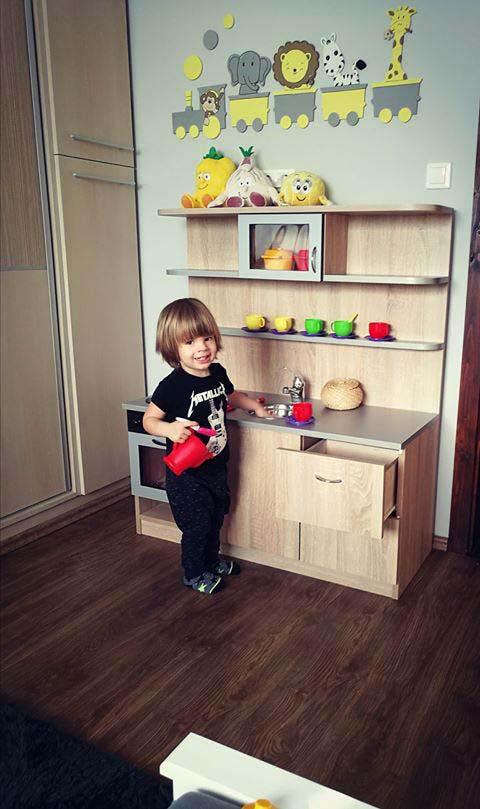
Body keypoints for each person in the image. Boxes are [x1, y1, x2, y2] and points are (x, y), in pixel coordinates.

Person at [143, 298, 270, 595]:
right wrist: (170, 429)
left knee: (214, 519)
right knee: (196, 525)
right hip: (187, 474)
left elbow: (229, 395)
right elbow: (150, 420)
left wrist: (253, 405)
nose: (202, 348)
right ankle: (194, 573)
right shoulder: (172, 386)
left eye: (207, 338)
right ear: (172, 348)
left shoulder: (217, 373)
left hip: (215, 466)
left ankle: (211, 562)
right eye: (189, 342)